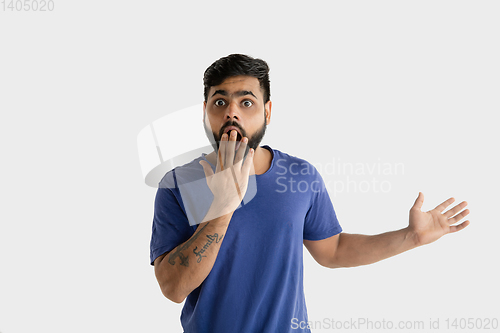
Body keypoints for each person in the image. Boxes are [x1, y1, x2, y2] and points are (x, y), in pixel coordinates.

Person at [149, 54, 470, 333]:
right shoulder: (176, 184)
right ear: (206, 111)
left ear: (268, 112)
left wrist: (410, 237)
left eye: (246, 102)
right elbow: (174, 288)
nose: (232, 113)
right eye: (220, 102)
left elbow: (333, 250)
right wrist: (223, 208)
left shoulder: (299, 176)